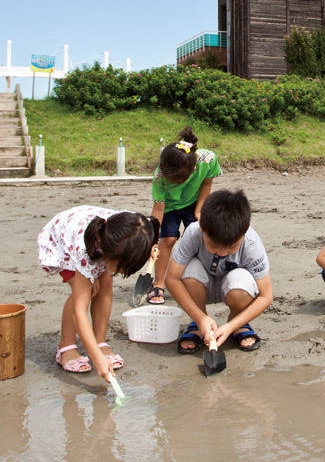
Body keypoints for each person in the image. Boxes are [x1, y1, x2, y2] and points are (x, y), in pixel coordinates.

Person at [38, 206, 159, 379]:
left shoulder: (139, 227)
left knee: (105, 283)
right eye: (120, 267)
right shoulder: (83, 251)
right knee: (86, 293)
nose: (122, 272)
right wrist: (96, 359)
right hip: (62, 241)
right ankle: (66, 347)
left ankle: (100, 341)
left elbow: (152, 229)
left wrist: (151, 248)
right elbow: (80, 311)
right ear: (106, 252)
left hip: (98, 239)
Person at [166, 188, 272, 353]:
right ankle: (197, 323)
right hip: (200, 285)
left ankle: (238, 323)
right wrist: (200, 318)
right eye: (213, 246)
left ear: (244, 232)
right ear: (202, 228)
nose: (221, 252)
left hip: (233, 289)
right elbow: (172, 279)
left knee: (241, 280)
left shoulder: (251, 243)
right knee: (189, 270)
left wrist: (230, 326)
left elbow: (265, 296)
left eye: (231, 247)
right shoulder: (193, 232)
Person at [149, 127, 222, 304]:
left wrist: (199, 210)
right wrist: (152, 239)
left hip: (193, 201)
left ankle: (199, 280)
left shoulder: (207, 160)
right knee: (167, 240)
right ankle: (158, 283)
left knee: (199, 236)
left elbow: (206, 184)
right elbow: (158, 210)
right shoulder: (160, 176)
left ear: (193, 169)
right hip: (169, 207)